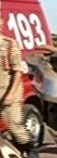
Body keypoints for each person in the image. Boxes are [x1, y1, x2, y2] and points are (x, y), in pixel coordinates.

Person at [0, 17, 31, 148]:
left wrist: (11, 94)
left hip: (8, 90)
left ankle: (30, 156)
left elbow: (18, 71)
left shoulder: (9, 44)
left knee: (14, 125)